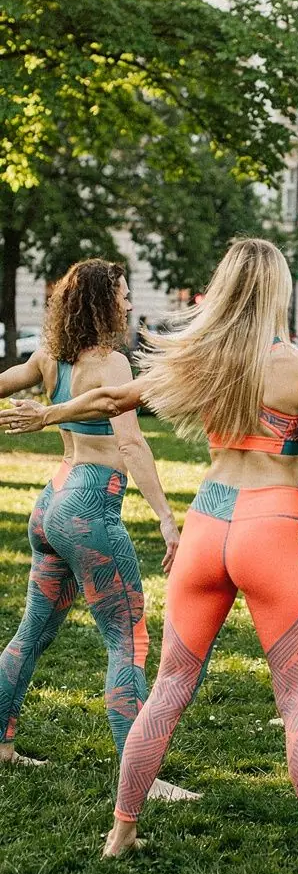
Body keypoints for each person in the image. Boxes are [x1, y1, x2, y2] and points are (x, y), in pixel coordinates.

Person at [2, 239, 298, 874]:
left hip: (209, 523)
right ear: (277, 292)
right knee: (297, 699)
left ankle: (121, 835)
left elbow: (107, 404)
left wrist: (50, 413)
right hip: (270, 524)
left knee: (169, 687)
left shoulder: (199, 359)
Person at [0, 259, 192, 803]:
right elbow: (131, 445)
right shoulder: (112, 366)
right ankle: (143, 780)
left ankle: (1, 746)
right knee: (127, 638)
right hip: (88, 507)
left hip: (50, 505)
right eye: (123, 296)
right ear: (102, 304)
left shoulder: (50, 357)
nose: (130, 305)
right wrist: (165, 516)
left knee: (30, 635)